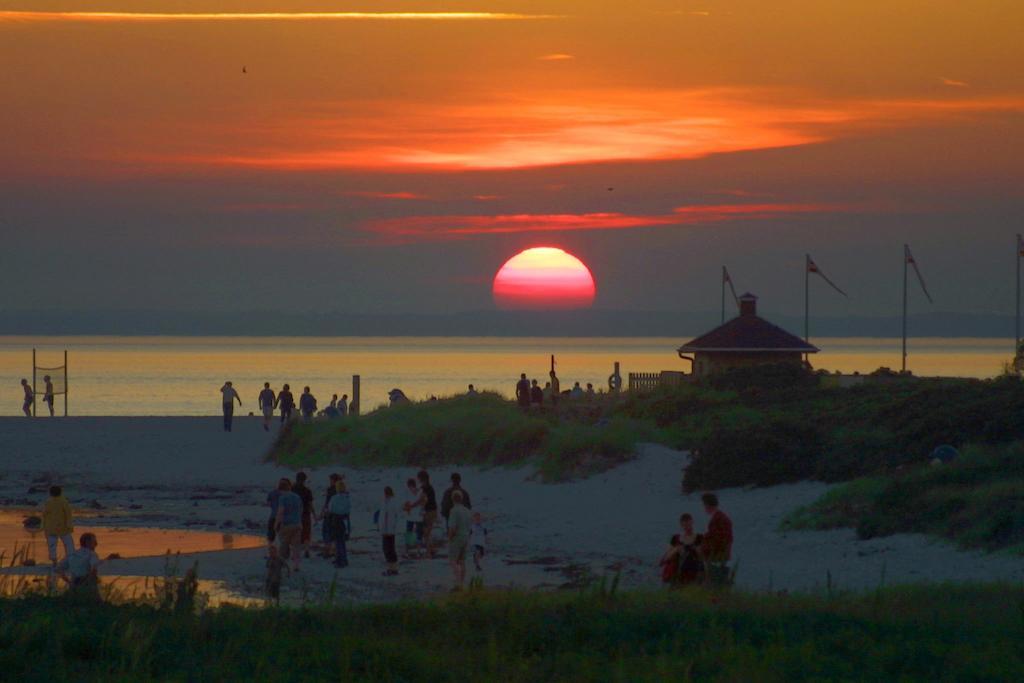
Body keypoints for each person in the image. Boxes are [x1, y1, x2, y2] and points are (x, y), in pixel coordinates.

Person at [701, 493, 733, 585]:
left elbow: (717, 540)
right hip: (723, 557)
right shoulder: (722, 517)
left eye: (704, 505)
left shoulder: (718, 519)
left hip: (718, 559)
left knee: (716, 586)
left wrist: (703, 548)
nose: (704, 508)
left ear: (707, 505)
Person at [57, 532, 101, 599]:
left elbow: (59, 569)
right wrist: (88, 580)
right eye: (94, 541)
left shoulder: (72, 554)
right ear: (87, 542)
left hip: (74, 583)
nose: (96, 544)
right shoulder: (92, 554)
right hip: (87, 585)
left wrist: (68, 581)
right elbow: (93, 569)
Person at [405, 470, 438, 558]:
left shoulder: (424, 487)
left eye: (419, 478)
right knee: (427, 532)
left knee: (425, 533)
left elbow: (420, 500)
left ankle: (429, 552)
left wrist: (411, 506)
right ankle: (431, 549)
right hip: (433, 511)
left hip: (429, 512)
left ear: (422, 478)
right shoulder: (429, 487)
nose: (418, 480)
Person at [274, 478, 303, 572]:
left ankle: (281, 563)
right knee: (296, 546)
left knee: (284, 544)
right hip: (297, 524)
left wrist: (276, 523)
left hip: (286, 524)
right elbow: (300, 509)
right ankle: (296, 565)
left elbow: (280, 512)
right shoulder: (297, 496)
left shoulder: (282, 498)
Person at [42, 485, 74, 565]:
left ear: (50, 493)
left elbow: (45, 514)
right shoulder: (64, 501)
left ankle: (54, 561)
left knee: (52, 545)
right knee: (68, 544)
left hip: (51, 528)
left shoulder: (49, 502)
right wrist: (69, 524)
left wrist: (43, 526)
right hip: (63, 527)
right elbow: (68, 514)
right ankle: (71, 560)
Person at [447, 490, 472, 589]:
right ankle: (462, 581)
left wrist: (449, 538)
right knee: (462, 561)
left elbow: (452, 527)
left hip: (457, 537)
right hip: (466, 536)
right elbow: (469, 526)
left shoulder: (453, 510)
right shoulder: (467, 510)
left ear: (452, 499)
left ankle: (458, 582)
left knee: (453, 561)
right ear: (461, 499)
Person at [326, 478, 351, 568]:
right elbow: (348, 509)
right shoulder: (347, 497)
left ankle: (341, 560)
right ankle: (343, 558)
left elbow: (330, 509)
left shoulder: (334, 498)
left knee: (338, 541)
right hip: (345, 518)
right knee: (342, 540)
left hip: (336, 519)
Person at [292, 471, 315, 559]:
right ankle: (306, 550)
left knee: (295, 533)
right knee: (306, 533)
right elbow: (310, 504)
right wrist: (314, 515)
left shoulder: (292, 489)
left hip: (294, 514)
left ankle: (295, 551)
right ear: (304, 480)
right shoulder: (307, 491)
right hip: (305, 514)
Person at [319, 473, 341, 552]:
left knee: (326, 531)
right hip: (337, 514)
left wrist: (322, 514)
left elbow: (327, 503)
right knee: (334, 532)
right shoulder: (341, 490)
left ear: (333, 480)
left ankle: (328, 549)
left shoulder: (331, 489)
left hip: (329, 513)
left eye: (330, 480)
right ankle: (334, 549)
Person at [380, 486, 399, 576]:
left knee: (388, 549)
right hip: (389, 529)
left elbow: (386, 517)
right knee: (389, 549)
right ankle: (392, 568)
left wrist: (384, 529)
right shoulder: (390, 502)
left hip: (388, 529)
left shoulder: (389, 503)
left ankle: (392, 568)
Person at [403, 478, 422, 557]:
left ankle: (407, 552)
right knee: (418, 534)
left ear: (409, 485)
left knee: (409, 533)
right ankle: (418, 552)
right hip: (418, 516)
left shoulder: (407, 492)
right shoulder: (420, 491)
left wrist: (407, 509)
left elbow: (406, 504)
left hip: (410, 516)